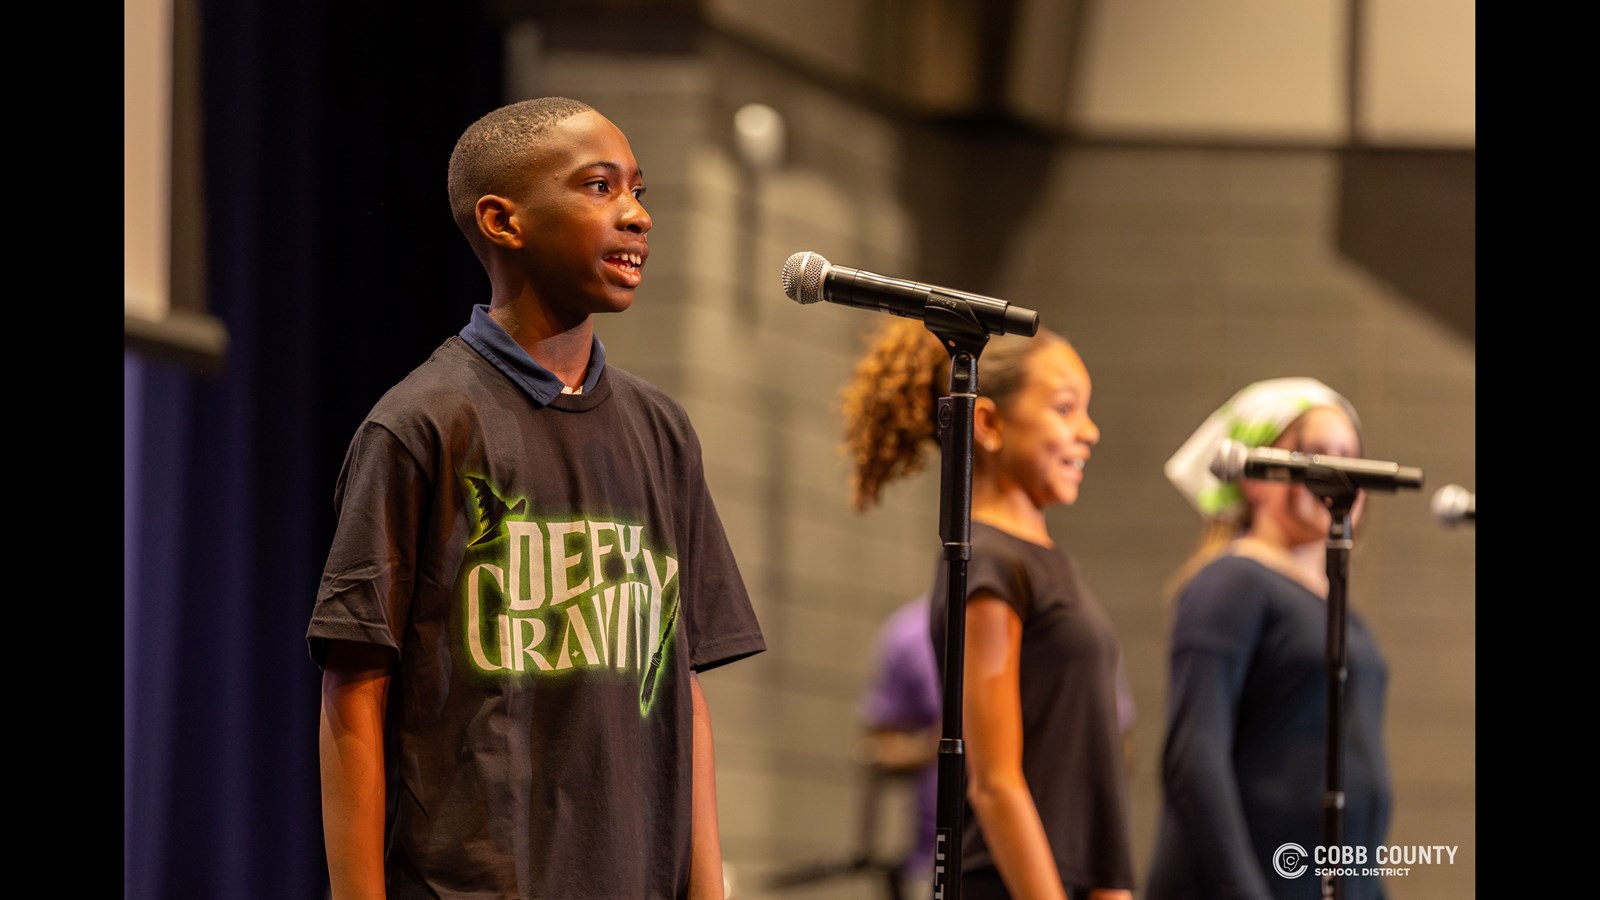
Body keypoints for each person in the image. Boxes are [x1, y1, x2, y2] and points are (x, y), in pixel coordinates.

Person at [307, 96, 767, 900]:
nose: (636, 215)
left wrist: (707, 889)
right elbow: (356, 685)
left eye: (638, 191)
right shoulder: (421, 425)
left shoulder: (661, 430)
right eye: (599, 186)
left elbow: (681, 683)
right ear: (503, 221)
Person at [839, 317, 1135, 900]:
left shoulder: (1043, 562)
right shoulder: (990, 563)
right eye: (1065, 409)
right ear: (990, 424)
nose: (1090, 431)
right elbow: (996, 784)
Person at [1146, 377, 1393, 900]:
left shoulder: (1332, 601)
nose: (1340, 472)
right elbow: (1195, 760)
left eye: (1350, 456)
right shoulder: (1234, 582)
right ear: (1255, 477)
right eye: (1316, 454)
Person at [857, 593, 942, 893]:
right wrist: (938, 744)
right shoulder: (909, 633)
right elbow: (879, 747)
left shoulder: (1039, 621)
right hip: (932, 860)